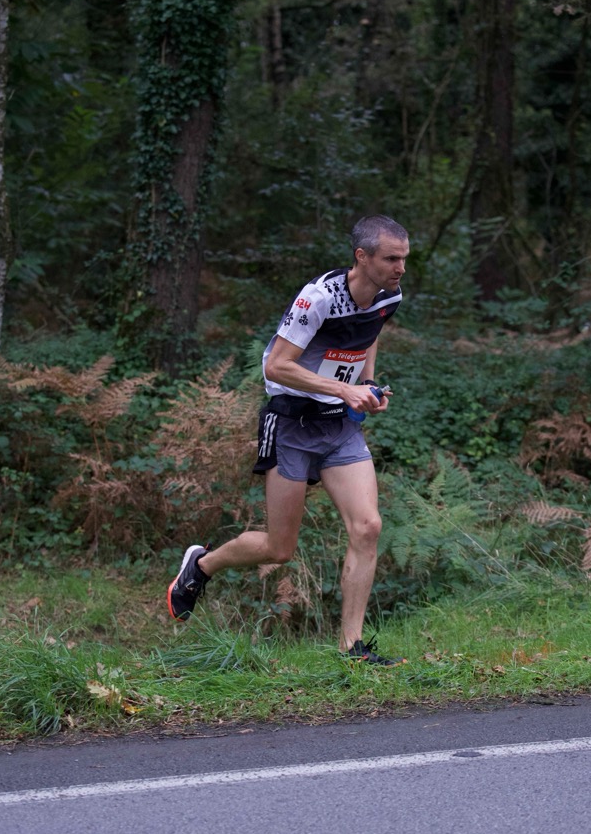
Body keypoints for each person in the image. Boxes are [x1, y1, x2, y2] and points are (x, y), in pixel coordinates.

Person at [166, 215, 410, 666]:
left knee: (367, 527)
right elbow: (275, 366)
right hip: (291, 424)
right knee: (279, 549)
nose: (401, 268)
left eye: (404, 258)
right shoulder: (318, 298)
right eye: (391, 259)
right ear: (362, 257)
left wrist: (368, 384)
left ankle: (352, 649)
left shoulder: (389, 295)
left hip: (339, 427)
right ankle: (201, 565)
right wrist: (342, 388)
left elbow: (370, 333)